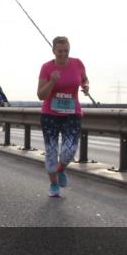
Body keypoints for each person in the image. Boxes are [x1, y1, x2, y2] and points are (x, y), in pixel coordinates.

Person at [36, 36, 89, 198]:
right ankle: (53, 184)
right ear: (54, 51)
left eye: (66, 50)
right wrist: (52, 81)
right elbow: (41, 95)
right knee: (51, 152)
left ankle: (60, 170)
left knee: (70, 150)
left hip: (72, 114)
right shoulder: (46, 67)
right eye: (60, 51)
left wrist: (86, 86)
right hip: (50, 115)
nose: (63, 54)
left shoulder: (77, 63)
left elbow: (84, 79)